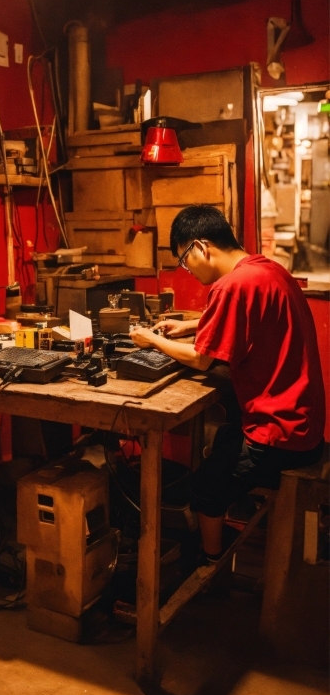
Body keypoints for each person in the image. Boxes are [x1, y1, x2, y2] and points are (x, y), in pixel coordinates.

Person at [130, 205, 326, 563]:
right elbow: (244, 319)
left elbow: (202, 359)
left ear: (202, 247)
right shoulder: (265, 270)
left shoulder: (232, 286)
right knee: (223, 438)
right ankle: (226, 527)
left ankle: (210, 561)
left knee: (205, 487)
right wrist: (189, 326)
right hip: (304, 423)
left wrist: (152, 339)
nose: (188, 272)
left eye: (185, 262)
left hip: (281, 435)